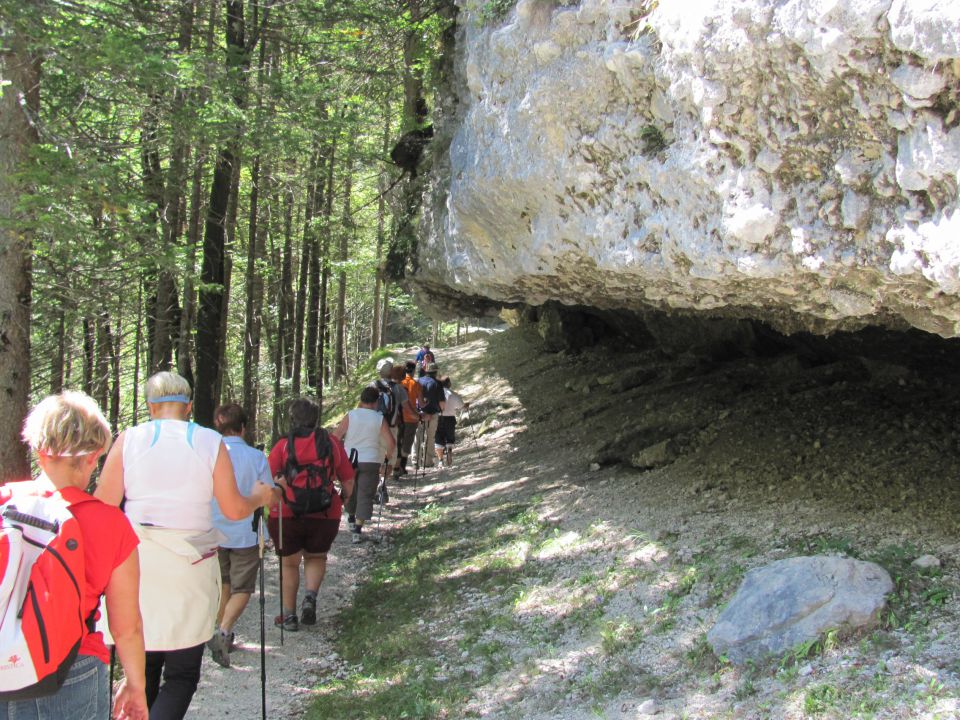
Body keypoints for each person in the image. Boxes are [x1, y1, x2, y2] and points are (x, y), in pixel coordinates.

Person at [96, 372, 274, 720]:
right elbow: (235, 509)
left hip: (135, 561)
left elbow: (103, 508)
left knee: (141, 670)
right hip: (190, 561)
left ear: (150, 406)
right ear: (189, 406)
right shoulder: (208, 441)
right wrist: (261, 496)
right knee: (181, 674)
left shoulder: (129, 440)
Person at [0, 391, 147, 720]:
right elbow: (127, 628)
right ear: (94, 457)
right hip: (69, 665)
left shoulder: (6, 503)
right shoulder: (110, 524)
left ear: (39, 451)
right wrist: (136, 685)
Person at [267, 398, 355, 631]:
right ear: (316, 418)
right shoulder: (332, 443)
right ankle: (310, 598)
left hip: (287, 513)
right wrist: (344, 498)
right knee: (316, 557)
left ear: (293, 420)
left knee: (289, 564)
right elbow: (348, 479)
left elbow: (267, 479)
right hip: (325, 512)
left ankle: (288, 616)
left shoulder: (282, 446)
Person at [207, 403, 276, 668]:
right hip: (246, 530)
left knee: (224, 583)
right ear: (244, 427)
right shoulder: (255, 457)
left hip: (213, 528)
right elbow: (268, 493)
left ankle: (222, 632)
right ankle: (223, 631)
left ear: (217, 425)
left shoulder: (209, 454)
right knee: (243, 587)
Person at [332, 387, 397, 543]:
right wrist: (387, 457)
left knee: (349, 489)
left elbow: (336, 436)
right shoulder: (379, 418)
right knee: (365, 493)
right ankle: (358, 530)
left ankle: (351, 517)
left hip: (349, 460)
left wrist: (338, 455)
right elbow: (391, 442)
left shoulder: (351, 415)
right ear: (376, 402)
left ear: (361, 400)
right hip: (371, 460)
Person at [416, 362, 445, 469]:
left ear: (426, 371)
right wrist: (442, 410)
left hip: (419, 413)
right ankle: (427, 461)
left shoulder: (418, 381)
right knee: (430, 437)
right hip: (433, 413)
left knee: (418, 437)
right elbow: (442, 402)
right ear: (436, 371)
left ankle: (416, 460)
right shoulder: (438, 383)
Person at [398, 360, 423, 477]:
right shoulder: (415, 384)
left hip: (398, 418)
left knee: (398, 441)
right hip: (411, 418)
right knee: (407, 444)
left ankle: (396, 466)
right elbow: (422, 403)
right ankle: (402, 466)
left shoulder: (399, 382)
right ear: (413, 371)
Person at [436, 377, 466, 468]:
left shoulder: (436, 394)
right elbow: (461, 406)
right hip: (450, 418)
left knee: (438, 439)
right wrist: (466, 406)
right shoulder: (453, 394)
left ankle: (440, 460)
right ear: (449, 384)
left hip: (438, 418)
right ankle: (449, 450)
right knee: (450, 437)